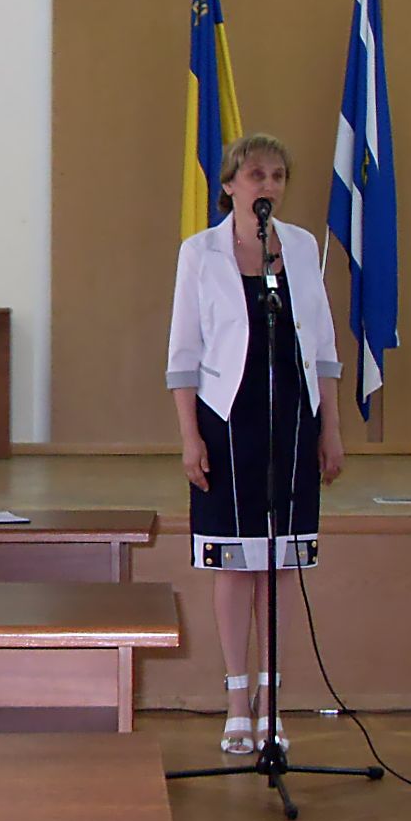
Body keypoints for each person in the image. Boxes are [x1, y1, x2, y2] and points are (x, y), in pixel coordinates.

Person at [167, 133, 344, 756]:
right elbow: (184, 353)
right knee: (236, 562)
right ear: (229, 185)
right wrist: (189, 436)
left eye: (277, 176)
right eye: (255, 175)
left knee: (280, 562)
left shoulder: (302, 247)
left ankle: (273, 704)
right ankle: (236, 701)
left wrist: (331, 428)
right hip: (226, 416)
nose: (267, 185)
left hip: (293, 416)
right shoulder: (200, 253)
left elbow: (323, 345)